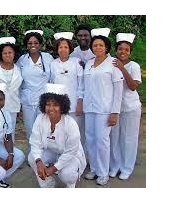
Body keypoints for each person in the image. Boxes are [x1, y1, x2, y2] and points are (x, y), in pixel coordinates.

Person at [83, 28, 124, 186]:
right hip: (89, 108)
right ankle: (94, 169)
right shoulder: (88, 63)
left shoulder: (113, 63)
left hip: (105, 109)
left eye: (101, 45)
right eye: (95, 45)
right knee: (90, 139)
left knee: (102, 141)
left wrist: (115, 112)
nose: (98, 47)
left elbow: (118, 90)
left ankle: (103, 173)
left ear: (106, 47)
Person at [27, 84, 86, 188]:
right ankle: (48, 184)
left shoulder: (70, 123)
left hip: (69, 155)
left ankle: (71, 184)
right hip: (51, 151)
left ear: (62, 106)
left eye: (55, 105)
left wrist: (53, 168)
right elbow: (35, 142)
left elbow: (70, 152)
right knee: (32, 157)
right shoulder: (40, 119)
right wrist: (39, 162)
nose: (51, 108)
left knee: (67, 175)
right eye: (48, 104)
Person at [109, 33, 142, 181]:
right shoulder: (112, 63)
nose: (123, 52)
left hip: (130, 108)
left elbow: (133, 86)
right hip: (115, 107)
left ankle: (126, 168)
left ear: (130, 52)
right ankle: (115, 166)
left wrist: (122, 68)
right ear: (116, 50)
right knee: (114, 138)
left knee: (128, 138)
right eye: (120, 49)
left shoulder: (134, 66)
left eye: (126, 49)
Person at [17, 30, 54, 147]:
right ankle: (31, 154)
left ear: (40, 44)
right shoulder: (22, 60)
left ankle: (44, 155)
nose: (33, 45)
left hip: (44, 100)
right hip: (28, 101)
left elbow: (53, 77)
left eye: (36, 43)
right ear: (26, 45)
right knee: (30, 130)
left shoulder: (47, 58)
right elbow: (17, 80)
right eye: (30, 43)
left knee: (44, 130)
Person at [0, 36, 23, 138]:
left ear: (14, 53)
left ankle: (10, 148)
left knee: (10, 132)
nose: (7, 55)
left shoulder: (18, 69)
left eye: (10, 52)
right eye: (5, 53)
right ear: (1, 54)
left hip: (13, 106)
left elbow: (20, 89)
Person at [50, 32, 84, 132]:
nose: (63, 50)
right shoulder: (53, 64)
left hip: (74, 104)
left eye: (66, 47)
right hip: (58, 105)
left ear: (70, 49)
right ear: (57, 49)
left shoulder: (77, 62)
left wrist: (80, 102)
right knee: (60, 132)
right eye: (60, 47)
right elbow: (52, 84)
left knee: (75, 132)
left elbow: (81, 84)